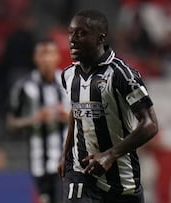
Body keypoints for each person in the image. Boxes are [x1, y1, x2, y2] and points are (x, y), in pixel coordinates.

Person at [58, 9, 159, 203]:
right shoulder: (68, 75)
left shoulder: (123, 75)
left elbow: (150, 124)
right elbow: (76, 111)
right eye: (71, 33)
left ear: (100, 38)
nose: (73, 39)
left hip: (121, 180)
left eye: (81, 33)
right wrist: (65, 154)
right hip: (80, 174)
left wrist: (110, 155)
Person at [7, 39, 69, 203]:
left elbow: (89, 117)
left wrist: (70, 116)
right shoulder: (24, 87)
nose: (46, 59)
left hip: (66, 161)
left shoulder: (70, 83)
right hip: (38, 161)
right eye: (42, 54)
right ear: (35, 58)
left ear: (57, 57)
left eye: (50, 54)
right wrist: (34, 120)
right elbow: (11, 123)